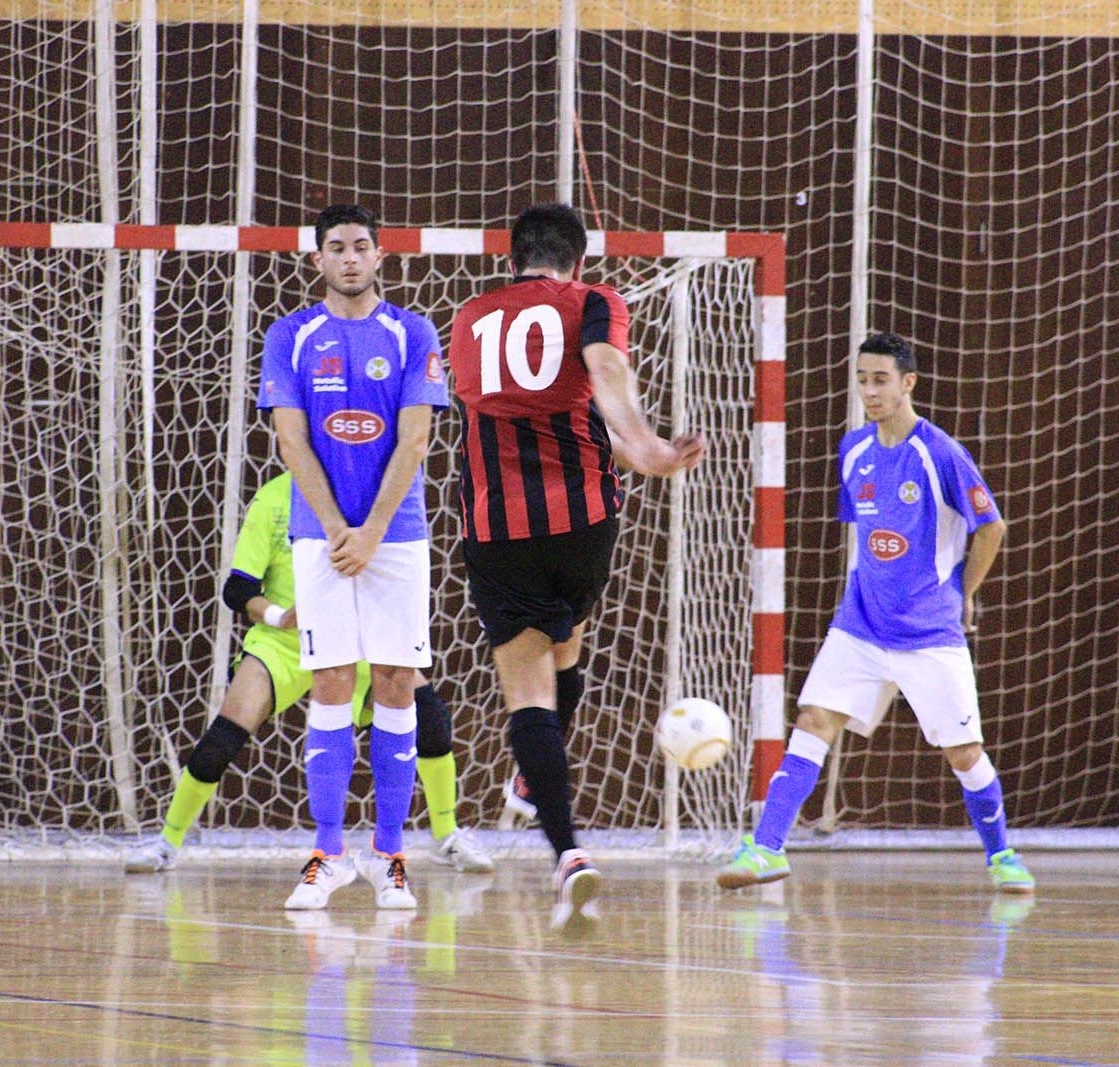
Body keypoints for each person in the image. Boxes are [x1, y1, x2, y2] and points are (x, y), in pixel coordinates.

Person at [448, 203, 707, 926]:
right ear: (579, 261)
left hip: (499, 525)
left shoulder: (470, 317)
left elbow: (484, 405)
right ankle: (536, 780)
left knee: (528, 690)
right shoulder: (596, 301)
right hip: (586, 522)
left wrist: (639, 442)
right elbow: (603, 368)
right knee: (567, 637)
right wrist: (648, 445)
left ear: (513, 259)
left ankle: (567, 851)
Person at [717, 332, 1034, 894]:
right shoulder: (855, 450)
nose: (869, 389)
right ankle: (766, 848)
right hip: (861, 622)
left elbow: (993, 527)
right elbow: (869, 536)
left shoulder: (940, 452)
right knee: (814, 721)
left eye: (881, 379)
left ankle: (1003, 856)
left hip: (928, 628)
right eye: (862, 378)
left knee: (964, 753)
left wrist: (962, 591)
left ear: (908, 383)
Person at [122, 471, 494, 876]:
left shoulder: (371, 494)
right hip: (286, 641)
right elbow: (239, 589)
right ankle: (167, 841)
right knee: (223, 736)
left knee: (431, 719)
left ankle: (447, 835)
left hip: (359, 636)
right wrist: (282, 617)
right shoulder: (275, 498)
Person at [258, 203, 451, 911]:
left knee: (399, 680)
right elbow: (290, 442)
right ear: (317, 259)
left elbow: (416, 439)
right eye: (335, 247)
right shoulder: (291, 334)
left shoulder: (412, 332)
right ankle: (328, 853)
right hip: (321, 537)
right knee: (333, 679)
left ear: (380, 255)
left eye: (360, 246)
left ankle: (392, 854)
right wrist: (340, 527)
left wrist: (370, 530)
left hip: (396, 535)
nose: (348, 257)